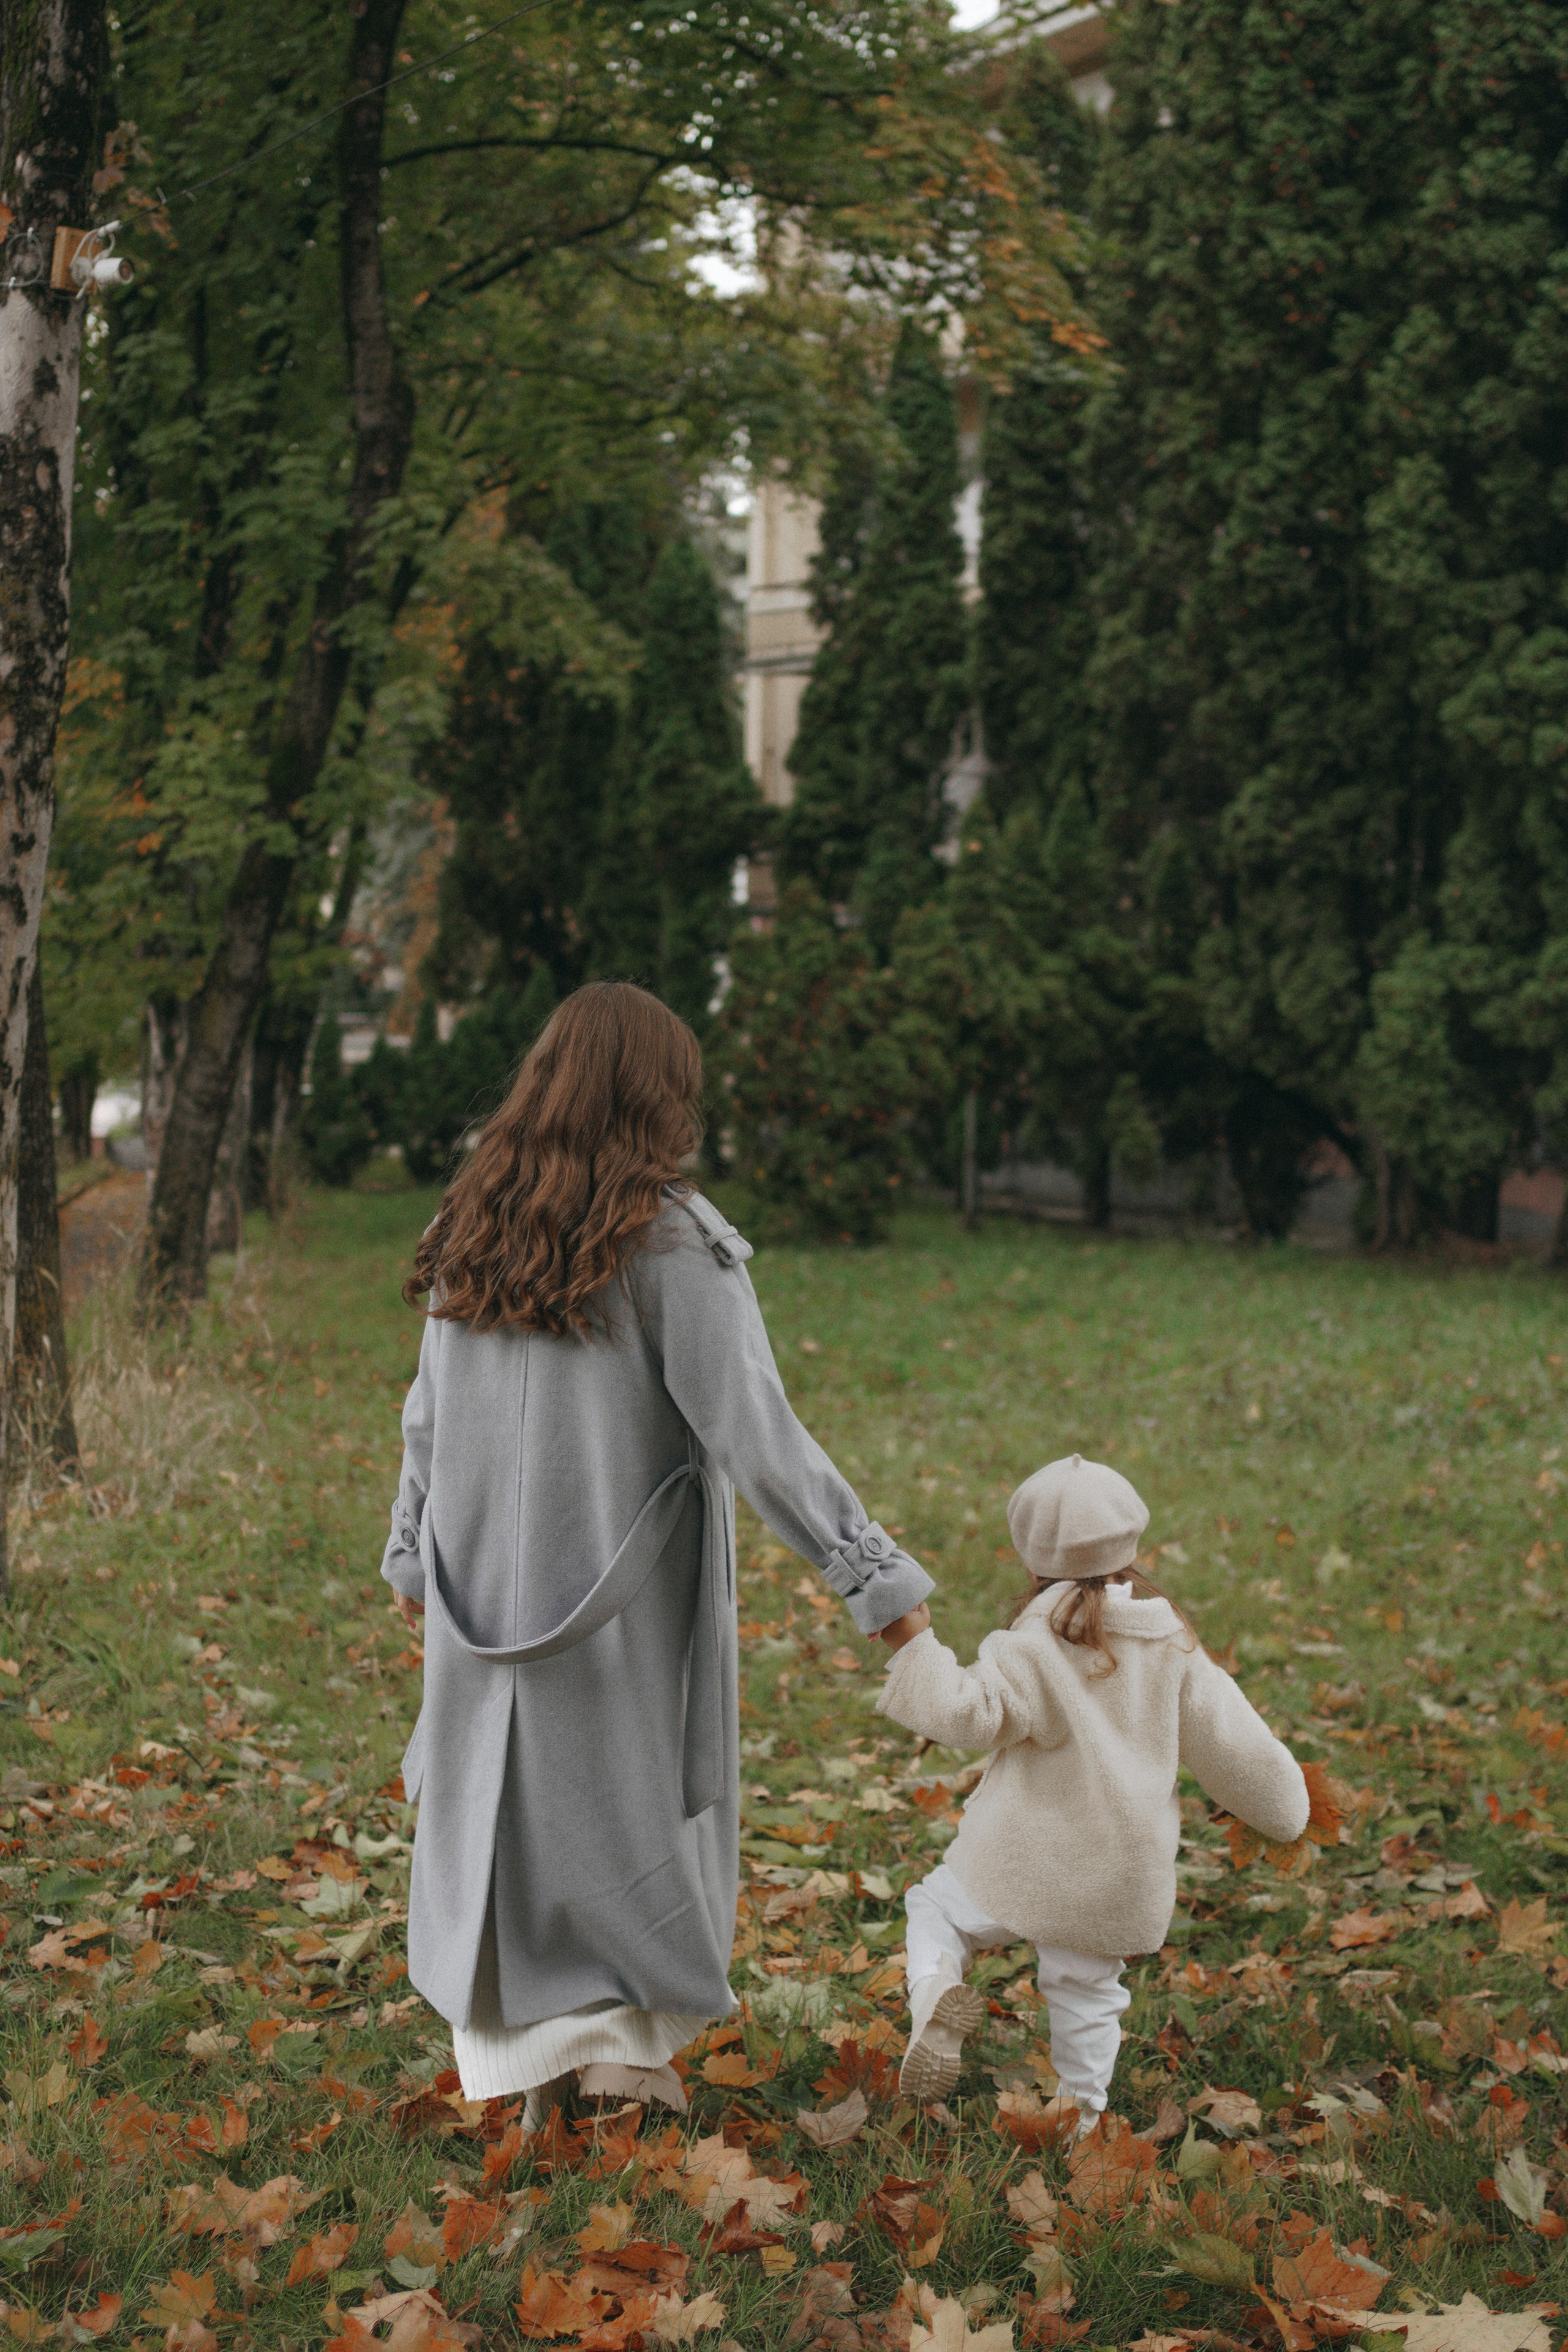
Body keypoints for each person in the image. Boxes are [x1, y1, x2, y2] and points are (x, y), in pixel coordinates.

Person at [381, 981, 933, 2123]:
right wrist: (874, 1580)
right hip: (618, 1586)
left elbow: (423, 1418)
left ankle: (547, 2065)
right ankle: (621, 2065)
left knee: (515, 1806)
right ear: (656, 1096)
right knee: (624, 1810)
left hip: (481, 1576)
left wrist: (410, 1558)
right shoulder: (672, 1237)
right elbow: (757, 1431)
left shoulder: (471, 1224)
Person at [873, 1452, 1308, 2121]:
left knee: (936, 1909)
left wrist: (914, 1646)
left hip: (1023, 1862)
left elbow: (967, 1712)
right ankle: (1082, 2115)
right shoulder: (1173, 1648)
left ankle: (934, 1988)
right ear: (1132, 1547)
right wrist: (1286, 1810)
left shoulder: (1033, 1647)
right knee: (1085, 1991)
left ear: (1030, 1558)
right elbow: (1236, 1744)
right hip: (1115, 1877)